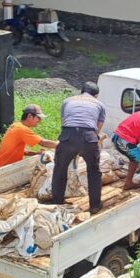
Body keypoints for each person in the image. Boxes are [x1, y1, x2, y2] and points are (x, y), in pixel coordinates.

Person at [51, 82, 106, 213]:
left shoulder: (67, 101)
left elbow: (64, 120)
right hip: (88, 137)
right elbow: (98, 127)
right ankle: (95, 205)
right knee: (93, 171)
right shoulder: (99, 104)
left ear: (81, 91)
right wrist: (90, 141)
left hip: (68, 136)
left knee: (60, 169)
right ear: (96, 95)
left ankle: (57, 202)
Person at [0, 104, 57, 170]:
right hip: (2, 170)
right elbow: (43, 142)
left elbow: (19, 150)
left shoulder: (15, 125)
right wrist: (61, 145)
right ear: (30, 116)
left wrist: (35, 153)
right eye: (39, 118)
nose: (40, 120)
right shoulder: (22, 129)